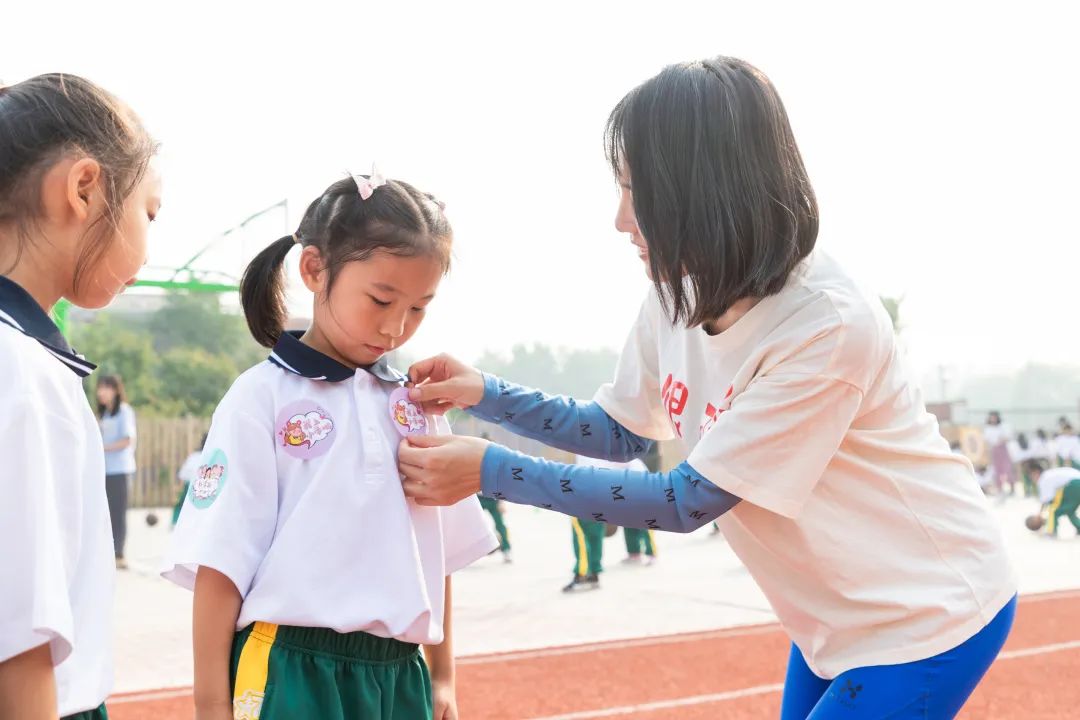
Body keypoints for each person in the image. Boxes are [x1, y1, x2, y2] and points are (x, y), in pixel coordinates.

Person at [398, 57, 1016, 719]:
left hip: (928, 612)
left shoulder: (827, 327)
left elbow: (685, 501)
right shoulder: (677, 291)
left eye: (638, 191)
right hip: (832, 615)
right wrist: (485, 393)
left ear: (705, 190)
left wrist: (491, 469)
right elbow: (620, 431)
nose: (620, 219)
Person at [162, 172, 497, 720]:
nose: (395, 328)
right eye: (381, 299)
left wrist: (443, 676)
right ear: (315, 270)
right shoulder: (259, 399)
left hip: (398, 676)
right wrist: (209, 705)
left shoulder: (417, 405)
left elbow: (436, 557)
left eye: (418, 308)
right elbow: (219, 563)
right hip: (288, 672)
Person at [0, 74, 160, 720]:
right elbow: (19, 639)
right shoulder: (22, 370)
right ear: (84, 188)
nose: (147, 250)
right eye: (149, 211)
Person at [96, 374, 138, 568]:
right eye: (100, 388)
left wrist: (102, 448)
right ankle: (106, 552)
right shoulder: (104, 414)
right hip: (105, 469)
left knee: (118, 513)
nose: (101, 392)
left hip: (120, 469)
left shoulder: (124, 411)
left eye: (106, 387)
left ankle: (119, 554)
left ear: (116, 390)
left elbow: (128, 440)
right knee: (104, 513)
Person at [476, 433, 512, 562]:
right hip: (478, 498)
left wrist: (502, 501)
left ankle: (507, 550)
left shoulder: (497, 462)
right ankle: (487, 545)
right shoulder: (474, 458)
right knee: (474, 523)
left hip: (493, 498)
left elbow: (503, 482)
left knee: (500, 525)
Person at [1022, 460, 1080, 538]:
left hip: (1074, 484)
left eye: (1032, 475)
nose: (1032, 479)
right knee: (1069, 510)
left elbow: (1047, 500)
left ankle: (1051, 532)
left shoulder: (1043, 479)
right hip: (1075, 483)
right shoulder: (1048, 475)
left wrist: (1039, 515)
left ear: (1036, 472)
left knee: (1054, 510)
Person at [173, 432, 207, 527]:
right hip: (199, 487)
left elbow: (183, 474)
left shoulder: (194, 456)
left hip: (191, 486)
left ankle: (175, 522)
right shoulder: (213, 456)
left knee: (181, 503)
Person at [983, 411, 1016, 496]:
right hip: (994, 450)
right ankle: (1000, 488)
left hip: (1003, 448)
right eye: (991, 417)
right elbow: (986, 441)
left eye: (994, 417)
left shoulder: (1002, 426)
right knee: (997, 470)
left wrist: (1002, 440)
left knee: (1007, 468)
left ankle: (1012, 488)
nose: (993, 419)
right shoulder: (988, 428)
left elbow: (1008, 437)